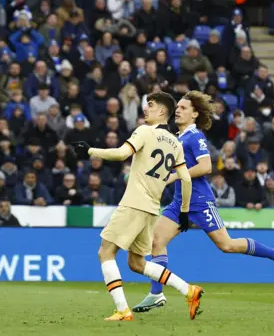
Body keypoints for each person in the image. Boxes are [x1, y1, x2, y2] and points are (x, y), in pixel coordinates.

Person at [132, 91, 274, 313]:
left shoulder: (195, 136)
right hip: (180, 202)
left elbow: (206, 167)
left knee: (226, 245)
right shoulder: (177, 138)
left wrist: (174, 175)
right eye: (177, 107)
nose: (177, 110)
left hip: (200, 202)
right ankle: (156, 294)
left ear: (194, 114)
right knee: (156, 242)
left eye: (183, 107)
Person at [73, 91, 200, 321]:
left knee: (106, 252)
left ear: (162, 111)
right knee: (136, 262)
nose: (146, 108)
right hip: (152, 208)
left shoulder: (145, 131)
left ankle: (122, 310)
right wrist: (184, 212)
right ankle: (189, 290)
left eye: (150, 105)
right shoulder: (176, 143)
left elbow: (122, 154)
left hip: (134, 203)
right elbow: (187, 179)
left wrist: (90, 151)